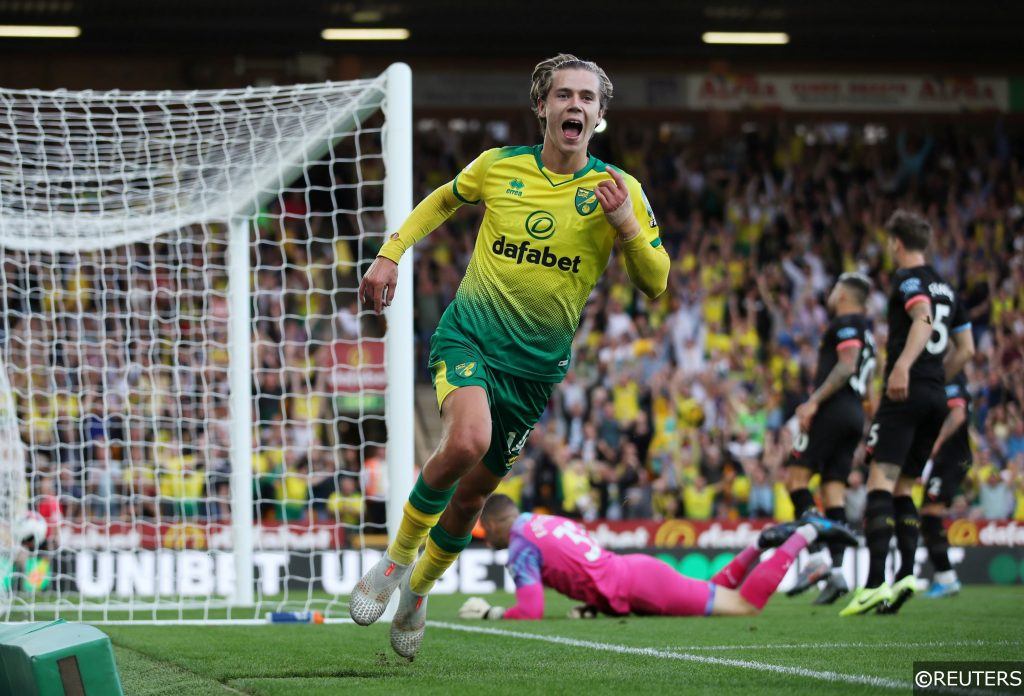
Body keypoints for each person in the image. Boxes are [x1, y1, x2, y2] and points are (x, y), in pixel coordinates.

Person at [350, 53, 670, 659]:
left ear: (599, 115)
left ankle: (419, 591)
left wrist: (626, 224)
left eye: (587, 98)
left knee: (472, 496)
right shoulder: (500, 168)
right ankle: (394, 564)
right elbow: (443, 201)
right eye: (563, 95)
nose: (574, 105)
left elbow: (655, 281)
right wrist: (391, 253)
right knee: (466, 441)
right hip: (469, 335)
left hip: (532, 371)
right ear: (542, 106)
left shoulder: (619, 190)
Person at [841, 211, 974, 617]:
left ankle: (874, 583)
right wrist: (934, 377)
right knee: (905, 489)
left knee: (879, 481)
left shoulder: (908, 279)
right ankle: (903, 577)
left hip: (906, 391)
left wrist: (903, 367)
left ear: (896, 243)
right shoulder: (949, 286)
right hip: (935, 394)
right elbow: (967, 349)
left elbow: (922, 318)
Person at [457, 494, 858, 621]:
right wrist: (595, 603)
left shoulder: (520, 543)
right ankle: (761, 544)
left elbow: (531, 610)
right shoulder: (541, 522)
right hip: (634, 573)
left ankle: (806, 532)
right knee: (713, 589)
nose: (483, 536)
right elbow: (581, 563)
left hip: (636, 586)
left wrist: (491, 612)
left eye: (482, 528)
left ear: (494, 522)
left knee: (744, 605)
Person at [785, 273, 876, 604]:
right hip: (854, 414)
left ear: (845, 296)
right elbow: (867, 381)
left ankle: (818, 557)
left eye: (836, 288)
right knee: (833, 491)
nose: (832, 292)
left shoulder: (847, 322)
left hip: (833, 410)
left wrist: (814, 401)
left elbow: (847, 364)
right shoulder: (870, 334)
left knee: (795, 479)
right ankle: (837, 573)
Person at [920, 372, 972, 598]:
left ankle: (947, 577)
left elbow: (958, 414)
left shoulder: (952, 378)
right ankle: (945, 577)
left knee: (930, 513)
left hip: (951, 459)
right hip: (946, 460)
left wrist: (937, 441)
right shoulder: (940, 379)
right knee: (928, 514)